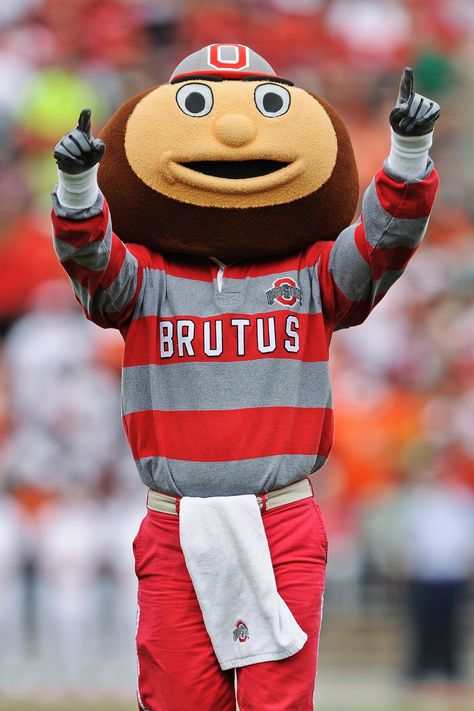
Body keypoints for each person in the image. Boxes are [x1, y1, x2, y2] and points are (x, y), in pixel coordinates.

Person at [50, 44, 439, 710]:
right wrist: (80, 188)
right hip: (177, 522)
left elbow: (382, 247)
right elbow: (90, 261)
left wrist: (407, 154)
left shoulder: (312, 274)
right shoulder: (147, 280)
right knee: (176, 700)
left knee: (278, 703)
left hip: (279, 516)